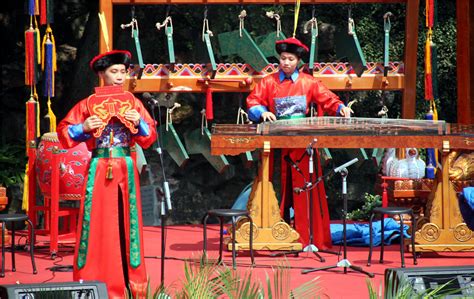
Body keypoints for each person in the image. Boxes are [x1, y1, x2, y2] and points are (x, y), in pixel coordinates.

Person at [57, 50, 157, 298]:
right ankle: (91, 281)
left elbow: (149, 138)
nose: (120, 77)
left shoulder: (134, 103)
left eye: (123, 72)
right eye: (114, 72)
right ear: (102, 74)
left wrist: (140, 123)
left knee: (127, 225)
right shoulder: (87, 104)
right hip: (99, 167)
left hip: (125, 166)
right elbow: (64, 134)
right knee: (97, 225)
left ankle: (130, 285)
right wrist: (83, 128)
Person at [246, 37, 352, 250]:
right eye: (283, 58)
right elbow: (252, 102)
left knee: (305, 190)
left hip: (303, 147)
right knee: (278, 188)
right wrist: (262, 111)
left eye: (290, 59)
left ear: (298, 62)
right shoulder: (268, 82)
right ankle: (275, 233)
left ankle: (307, 237)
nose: (285, 62)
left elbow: (328, 99)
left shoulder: (308, 82)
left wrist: (341, 108)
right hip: (276, 146)